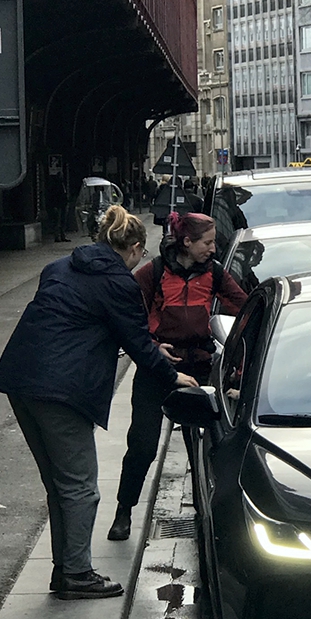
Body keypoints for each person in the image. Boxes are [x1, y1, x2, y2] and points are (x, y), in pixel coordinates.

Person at [0, 206, 197, 600]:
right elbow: (136, 341)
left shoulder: (58, 267)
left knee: (60, 484)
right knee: (82, 488)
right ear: (136, 248)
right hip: (62, 390)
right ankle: (77, 574)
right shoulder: (119, 283)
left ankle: (65, 569)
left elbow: (76, 324)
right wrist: (172, 375)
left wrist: (139, 347)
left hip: (21, 379)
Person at [108, 212, 248, 541]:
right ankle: (123, 512)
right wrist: (154, 347)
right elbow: (131, 318)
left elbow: (244, 309)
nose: (214, 248)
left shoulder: (214, 273)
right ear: (187, 242)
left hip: (199, 366)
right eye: (208, 242)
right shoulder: (152, 272)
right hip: (158, 370)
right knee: (142, 446)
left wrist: (237, 360)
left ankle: (206, 512)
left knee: (203, 446)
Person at [46, 172, 69, 242]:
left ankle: (62, 235)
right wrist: (54, 205)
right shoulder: (56, 186)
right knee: (57, 222)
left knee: (63, 221)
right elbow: (53, 196)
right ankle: (57, 236)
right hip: (58, 205)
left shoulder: (63, 185)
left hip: (63, 205)